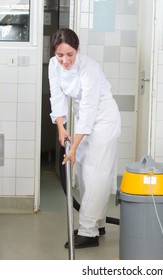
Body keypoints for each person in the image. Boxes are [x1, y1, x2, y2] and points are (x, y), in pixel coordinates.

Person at [49, 28, 121, 248]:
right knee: (83, 170)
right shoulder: (54, 65)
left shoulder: (90, 68)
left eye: (70, 54)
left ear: (77, 50)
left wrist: (73, 147)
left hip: (103, 119)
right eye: (60, 55)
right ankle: (97, 224)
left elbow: (90, 109)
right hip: (84, 120)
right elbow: (57, 96)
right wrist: (61, 128)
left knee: (96, 173)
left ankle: (88, 232)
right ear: (54, 53)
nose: (65, 60)